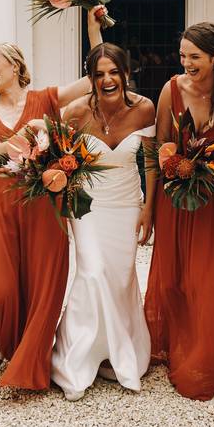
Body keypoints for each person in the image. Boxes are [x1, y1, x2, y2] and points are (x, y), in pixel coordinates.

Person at [0, 8, 103, 390]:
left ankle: (30, 358)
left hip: (45, 207)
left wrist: (93, 32)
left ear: (15, 64)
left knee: (43, 285)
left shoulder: (45, 98)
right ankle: (4, 338)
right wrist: (35, 133)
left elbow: (96, 80)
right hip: (1, 208)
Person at [142, 21, 214, 401]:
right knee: (176, 275)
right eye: (183, 55)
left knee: (213, 275)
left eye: (195, 57)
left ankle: (207, 351)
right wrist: (149, 206)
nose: (186, 63)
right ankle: (175, 340)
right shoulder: (171, 89)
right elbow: (157, 150)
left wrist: (205, 164)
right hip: (175, 197)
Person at [51, 42, 156, 401]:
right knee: (92, 272)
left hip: (127, 203)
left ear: (127, 73)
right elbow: (58, 162)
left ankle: (117, 355)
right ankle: (76, 359)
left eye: (114, 72)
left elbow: (153, 163)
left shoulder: (145, 109)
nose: (107, 79)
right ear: (90, 78)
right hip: (88, 204)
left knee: (121, 277)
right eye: (99, 74)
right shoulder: (75, 112)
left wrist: (149, 208)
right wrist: (62, 206)